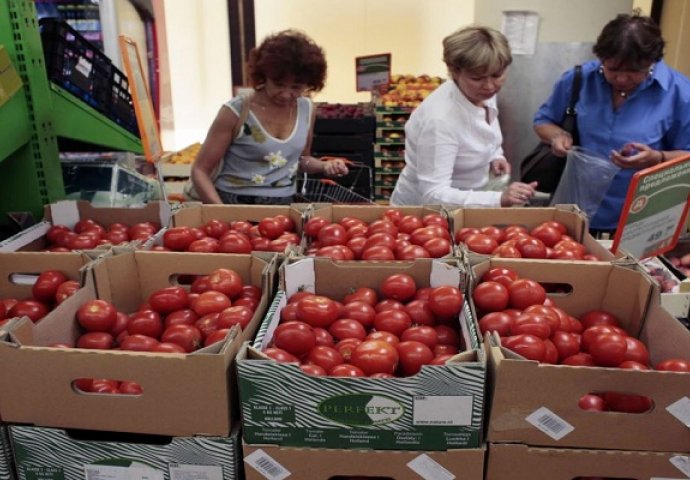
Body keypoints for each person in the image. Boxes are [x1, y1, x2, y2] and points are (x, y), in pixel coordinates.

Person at [534, 13, 690, 234]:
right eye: (613, 69)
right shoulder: (578, 80)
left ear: (652, 62)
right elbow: (543, 121)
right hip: (576, 208)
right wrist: (557, 137)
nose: (622, 79)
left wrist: (658, 158)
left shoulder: (680, 93)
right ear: (601, 58)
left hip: (641, 217)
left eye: (635, 72)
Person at [191, 30, 348, 205]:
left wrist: (324, 166)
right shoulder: (236, 111)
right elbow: (200, 170)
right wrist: (221, 213)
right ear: (264, 75)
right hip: (233, 202)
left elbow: (302, 160)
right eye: (278, 84)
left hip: (283, 206)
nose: (286, 94)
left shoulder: (306, 109)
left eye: (296, 87)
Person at [390, 26, 537, 207]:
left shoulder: (481, 93)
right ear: (455, 71)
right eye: (477, 78)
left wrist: (494, 155)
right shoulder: (440, 120)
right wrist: (499, 199)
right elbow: (434, 194)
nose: (490, 86)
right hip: (425, 217)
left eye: (497, 75)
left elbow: (483, 130)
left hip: (468, 205)